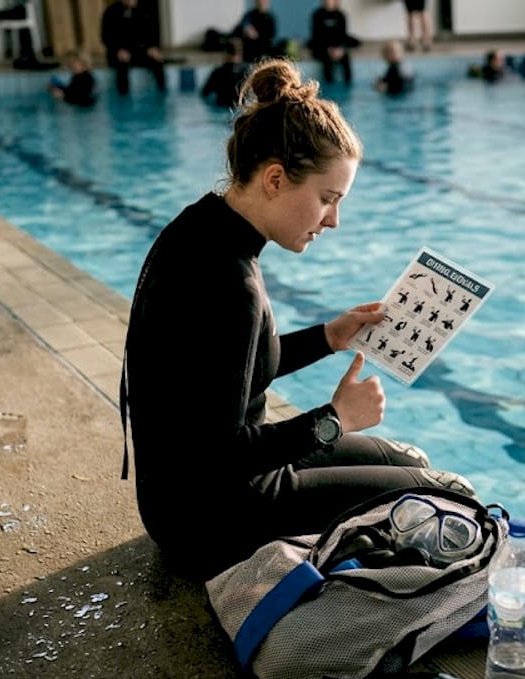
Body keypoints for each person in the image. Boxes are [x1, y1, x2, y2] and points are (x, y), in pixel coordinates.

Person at [119, 58, 475, 581]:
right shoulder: (227, 284)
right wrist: (335, 419)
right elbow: (220, 456)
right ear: (276, 179)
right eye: (327, 199)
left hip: (178, 497)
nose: (333, 220)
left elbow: (223, 374)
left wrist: (329, 338)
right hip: (209, 518)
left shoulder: (201, 229)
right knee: (447, 496)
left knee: (410, 461)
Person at [100, 0, 167, 96]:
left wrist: (153, 47)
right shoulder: (112, 11)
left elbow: (153, 32)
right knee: (122, 67)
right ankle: (123, 97)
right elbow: (105, 36)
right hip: (119, 52)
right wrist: (117, 50)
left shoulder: (145, 9)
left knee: (158, 62)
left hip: (140, 50)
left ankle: (162, 93)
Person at [309, 0, 356, 85]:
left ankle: (348, 82)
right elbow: (316, 36)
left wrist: (341, 48)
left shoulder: (340, 15)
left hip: (337, 47)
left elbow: (343, 35)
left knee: (346, 58)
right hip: (322, 47)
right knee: (327, 60)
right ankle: (329, 83)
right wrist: (328, 49)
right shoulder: (317, 15)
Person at [200, 38, 249, 108]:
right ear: (241, 52)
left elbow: (204, 93)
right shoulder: (248, 71)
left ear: (225, 53)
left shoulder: (218, 73)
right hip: (242, 108)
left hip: (221, 108)